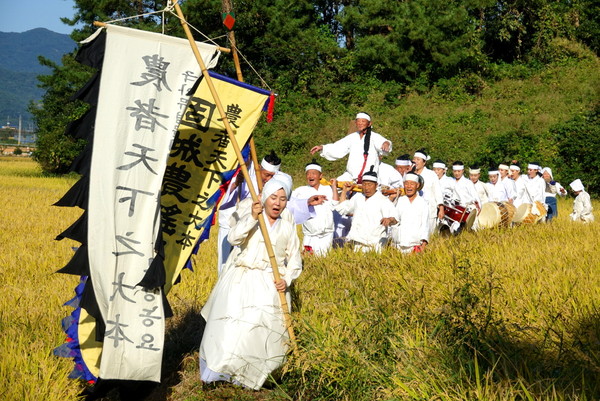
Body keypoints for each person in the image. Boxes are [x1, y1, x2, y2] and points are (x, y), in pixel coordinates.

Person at [199, 178, 302, 390]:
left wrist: (286, 280)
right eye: (273, 197)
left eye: (283, 199)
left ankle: (250, 377)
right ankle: (217, 372)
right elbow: (233, 239)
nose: (277, 203)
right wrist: (253, 217)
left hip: (270, 284)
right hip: (242, 280)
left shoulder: (287, 227)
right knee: (229, 327)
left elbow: (295, 261)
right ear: (265, 199)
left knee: (259, 331)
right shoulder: (252, 218)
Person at [217, 151, 282, 273]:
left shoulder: (275, 185)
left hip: (254, 228)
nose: (268, 179)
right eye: (266, 175)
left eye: (272, 176)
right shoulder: (241, 175)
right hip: (231, 225)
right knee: (225, 263)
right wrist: (236, 183)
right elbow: (223, 198)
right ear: (259, 169)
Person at [310, 112, 392, 182]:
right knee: (335, 186)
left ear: (369, 123)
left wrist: (386, 144)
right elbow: (338, 147)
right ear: (355, 123)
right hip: (350, 175)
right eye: (358, 121)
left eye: (363, 121)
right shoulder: (352, 137)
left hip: (368, 177)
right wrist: (322, 148)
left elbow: (384, 143)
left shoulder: (374, 137)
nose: (360, 123)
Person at [333, 166, 398, 252]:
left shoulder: (383, 200)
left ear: (376, 185)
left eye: (370, 184)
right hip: (357, 243)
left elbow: (395, 220)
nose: (367, 188)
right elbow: (343, 208)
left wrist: (389, 220)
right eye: (364, 184)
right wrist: (345, 191)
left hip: (376, 245)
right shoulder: (358, 197)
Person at [291, 160, 339, 256]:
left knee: (324, 259)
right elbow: (291, 204)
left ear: (320, 176)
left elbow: (335, 204)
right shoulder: (300, 191)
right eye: (308, 174)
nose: (310, 176)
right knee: (307, 258)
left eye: (313, 173)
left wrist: (334, 187)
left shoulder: (327, 189)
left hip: (326, 234)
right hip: (310, 235)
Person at [389, 173, 429, 253]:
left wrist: (423, 245)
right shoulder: (400, 200)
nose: (409, 186)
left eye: (412, 184)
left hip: (415, 245)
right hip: (398, 244)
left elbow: (425, 224)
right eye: (406, 183)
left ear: (417, 185)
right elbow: (395, 220)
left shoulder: (423, 203)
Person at [412, 149, 444, 234]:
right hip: (414, 210)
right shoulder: (410, 174)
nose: (415, 161)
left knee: (429, 235)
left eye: (418, 159)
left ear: (424, 162)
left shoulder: (431, 174)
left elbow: (438, 192)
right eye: (414, 159)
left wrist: (441, 208)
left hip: (430, 210)